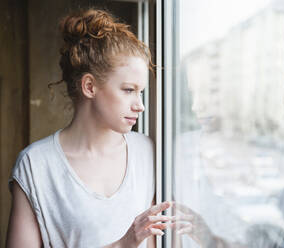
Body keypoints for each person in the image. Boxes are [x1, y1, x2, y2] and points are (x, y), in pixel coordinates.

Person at [6, 8, 174, 248]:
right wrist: (122, 244)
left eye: (141, 92)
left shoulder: (149, 152)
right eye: (128, 90)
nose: (140, 106)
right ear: (89, 87)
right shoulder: (36, 165)